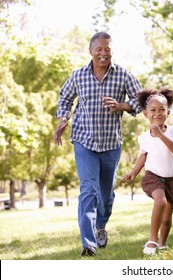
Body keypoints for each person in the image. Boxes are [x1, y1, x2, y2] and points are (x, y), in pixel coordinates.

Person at [53, 32, 142, 256]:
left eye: (107, 49)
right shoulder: (78, 75)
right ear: (91, 51)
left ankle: (100, 225)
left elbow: (142, 101)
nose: (103, 53)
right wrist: (64, 119)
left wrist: (122, 105)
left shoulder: (123, 75)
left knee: (106, 195)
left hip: (111, 143)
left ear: (112, 51)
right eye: (99, 49)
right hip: (84, 141)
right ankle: (88, 243)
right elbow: (64, 98)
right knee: (88, 189)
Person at [123, 87, 173, 255]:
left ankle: (162, 243)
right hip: (153, 177)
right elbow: (143, 156)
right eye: (153, 110)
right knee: (160, 201)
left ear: (168, 112)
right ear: (145, 114)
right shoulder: (143, 137)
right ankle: (152, 240)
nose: (157, 113)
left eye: (162, 110)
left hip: (172, 180)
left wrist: (161, 135)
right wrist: (133, 173)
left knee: (166, 218)